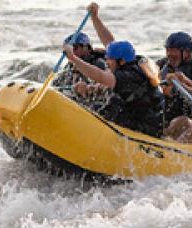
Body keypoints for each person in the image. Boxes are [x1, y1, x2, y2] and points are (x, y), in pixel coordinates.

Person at [62, 4, 164, 137]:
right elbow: (110, 44)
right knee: (101, 103)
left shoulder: (129, 75)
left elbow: (100, 76)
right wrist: (95, 18)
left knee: (104, 108)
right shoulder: (131, 61)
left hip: (145, 128)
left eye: (109, 59)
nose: (106, 62)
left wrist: (73, 58)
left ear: (120, 61)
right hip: (139, 117)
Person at [157, 32, 192, 126]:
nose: (170, 54)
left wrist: (182, 83)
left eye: (174, 51)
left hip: (188, 117)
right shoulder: (163, 64)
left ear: (186, 52)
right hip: (164, 113)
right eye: (168, 50)